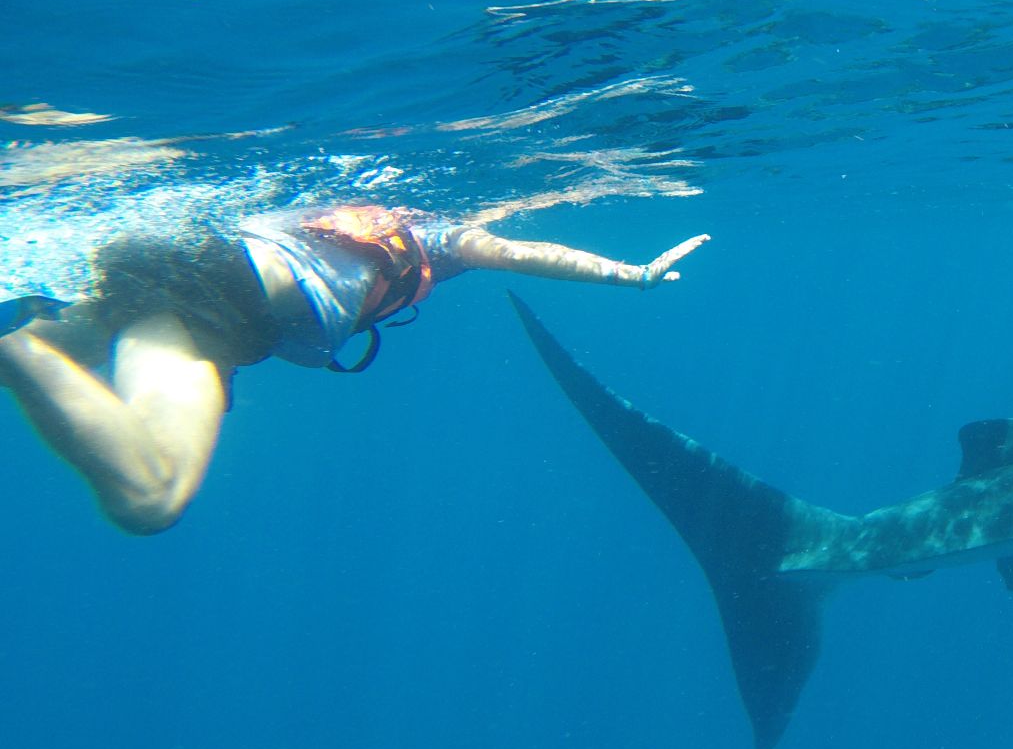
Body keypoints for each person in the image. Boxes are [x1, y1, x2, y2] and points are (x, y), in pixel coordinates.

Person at [0, 205, 706, 535]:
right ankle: (17, 346)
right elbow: (518, 252)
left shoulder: (313, 209)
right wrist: (631, 274)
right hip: (211, 304)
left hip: (172, 264)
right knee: (150, 497)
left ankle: (33, 338)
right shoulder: (438, 235)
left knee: (73, 348)